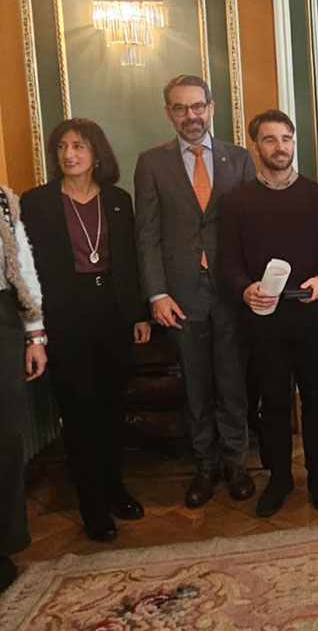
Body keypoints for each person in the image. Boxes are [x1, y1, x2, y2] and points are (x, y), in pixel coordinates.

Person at [20, 119, 151, 541]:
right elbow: (27, 268)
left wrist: (137, 315)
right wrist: (36, 327)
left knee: (112, 409)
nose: (69, 154)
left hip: (111, 313)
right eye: (62, 147)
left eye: (79, 146)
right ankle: (92, 505)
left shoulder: (117, 199)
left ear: (97, 154)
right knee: (79, 413)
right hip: (65, 316)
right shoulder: (37, 202)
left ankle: (115, 489)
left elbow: (128, 261)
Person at [134, 74, 257, 509]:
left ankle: (236, 463)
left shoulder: (238, 159)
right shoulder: (152, 163)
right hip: (181, 295)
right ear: (169, 112)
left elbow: (251, 229)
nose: (191, 115)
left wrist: (252, 284)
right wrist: (156, 295)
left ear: (211, 107)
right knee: (195, 386)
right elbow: (146, 234)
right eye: (181, 108)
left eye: (197, 106)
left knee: (233, 382)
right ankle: (205, 465)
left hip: (232, 290)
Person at [218, 110, 318, 518]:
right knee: (272, 400)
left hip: (309, 315)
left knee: (315, 398)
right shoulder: (236, 202)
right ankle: (280, 478)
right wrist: (244, 288)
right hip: (263, 317)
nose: (280, 147)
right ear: (256, 146)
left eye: (286, 138)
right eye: (270, 139)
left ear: (294, 142)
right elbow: (227, 261)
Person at [0, 181, 47, 591]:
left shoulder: (2, 199)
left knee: (7, 436)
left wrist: (35, 332)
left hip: (3, 317)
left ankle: (4, 543)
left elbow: (22, 265)